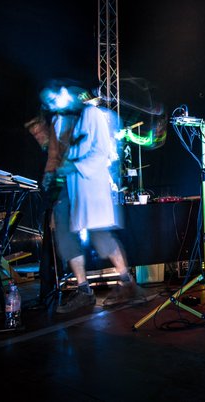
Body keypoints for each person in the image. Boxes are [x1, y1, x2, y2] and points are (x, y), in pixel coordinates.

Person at [39, 79, 147, 314]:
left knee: (100, 236)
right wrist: (49, 175)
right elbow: (54, 155)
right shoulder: (58, 121)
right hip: (66, 185)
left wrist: (75, 166)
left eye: (54, 98)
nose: (51, 104)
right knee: (65, 236)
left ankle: (127, 284)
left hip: (89, 183)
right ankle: (83, 290)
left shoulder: (93, 115)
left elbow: (101, 152)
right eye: (47, 102)